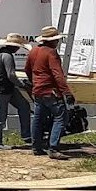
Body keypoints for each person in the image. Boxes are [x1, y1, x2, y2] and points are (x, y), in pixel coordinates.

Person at [24, 25, 74, 159]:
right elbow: (57, 74)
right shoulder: (51, 53)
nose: (57, 42)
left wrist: (35, 83)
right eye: (56, 40)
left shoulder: (34, 51)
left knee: (38, 119)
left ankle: (36, 147)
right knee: (61, 117)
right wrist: (67, 92)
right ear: (52, 41)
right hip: (50, 91)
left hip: (38, 91)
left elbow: (28, 70)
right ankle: (53, 148)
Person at [0, 33, 33, 149]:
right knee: (1, 115)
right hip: (2, 89)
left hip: (8, 87)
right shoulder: (7, 56)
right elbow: (11, 75)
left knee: (24, 106)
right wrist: (22, 85)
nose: (18, 48)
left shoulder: (2, 54)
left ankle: (26, 136)